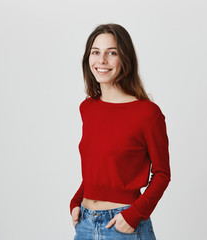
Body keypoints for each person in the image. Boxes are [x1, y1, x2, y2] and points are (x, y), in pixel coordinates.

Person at [69, 23, 171, 239]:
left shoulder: (147, 113)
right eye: (95, 52)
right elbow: (99, 169)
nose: (101, 60)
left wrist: (134, 215)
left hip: (123, 226)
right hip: (85, 224)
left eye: (111, 53)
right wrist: (77, 201)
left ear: (125, 59)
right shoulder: (88, 108)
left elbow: (162, 174)